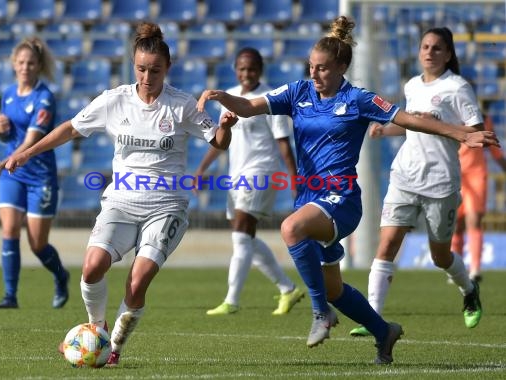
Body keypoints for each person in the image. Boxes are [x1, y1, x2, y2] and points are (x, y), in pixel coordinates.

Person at [197, 16, 498, 364]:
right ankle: (383, 331)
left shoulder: (358, 99)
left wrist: (462, 134)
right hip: (309, 197)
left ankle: (318, 312)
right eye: (311, 66)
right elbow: (249, 107)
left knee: (290, 228)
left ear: (342, 67)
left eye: (323, 69)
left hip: (341, 200)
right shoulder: (298, 92)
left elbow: (409, 119)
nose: (314, 74)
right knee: (334, 288)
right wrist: (222, 98)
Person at [4, 22, 238, 367]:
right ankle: (95, 330)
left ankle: (111, 348)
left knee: (138, 280)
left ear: (167, 69)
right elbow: (70, 127)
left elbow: (216, 140)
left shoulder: (182, 105)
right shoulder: (115, 101)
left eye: (155, 70)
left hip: (167, 206)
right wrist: (28, 152)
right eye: (141, 69)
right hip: (121, 202)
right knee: (91, 267)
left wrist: (226, 129)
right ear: (133, 65)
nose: (147, 76)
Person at [349, 27, 490, 338]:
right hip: (405, 176)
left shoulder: (458, 88)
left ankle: (469, 290)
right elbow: (412, 126)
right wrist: (385, 130)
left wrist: (442, 125)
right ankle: (373, 317)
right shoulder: (411, 85)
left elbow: (475, 133)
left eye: (437, 48)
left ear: (448, 54)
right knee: (386, 245)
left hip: (440, 181)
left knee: (440, 255)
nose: (429, 52)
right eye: (425, 47)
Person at [194, 47, 305, 316]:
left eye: (252, 69)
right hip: (236, 175)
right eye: (242, 69)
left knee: (241, 234)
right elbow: (220, 138)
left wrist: (294, 179)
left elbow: (283, 143)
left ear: (260, 70)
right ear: (236, 69)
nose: (247, 74)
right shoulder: (230, 97)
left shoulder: (270, 100)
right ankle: (288, 289)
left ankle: (232, 300)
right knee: (245, 238)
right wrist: (201, 169)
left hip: (261, 172)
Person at [0, 37, 70, 310]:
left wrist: (2, 162)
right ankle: (10, 295)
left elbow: (32, 140)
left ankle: (61, 276)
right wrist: (0, 131)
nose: (25, 67)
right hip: (14, 173)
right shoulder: (8, 94)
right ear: (14, 64)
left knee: (37, 244)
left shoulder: (44, 97)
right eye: (21, 62)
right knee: (9, 229)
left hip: (39, 175)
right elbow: (8, 135)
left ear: (39, 66)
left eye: (30, 63)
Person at [451, 112, 506, 283]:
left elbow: (494, 149)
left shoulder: (484, 119)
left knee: (474, 220)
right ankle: (457, 270)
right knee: (456, 225)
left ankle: (475, 269)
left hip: (476, 175)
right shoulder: (449, 118)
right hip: (454, 174)